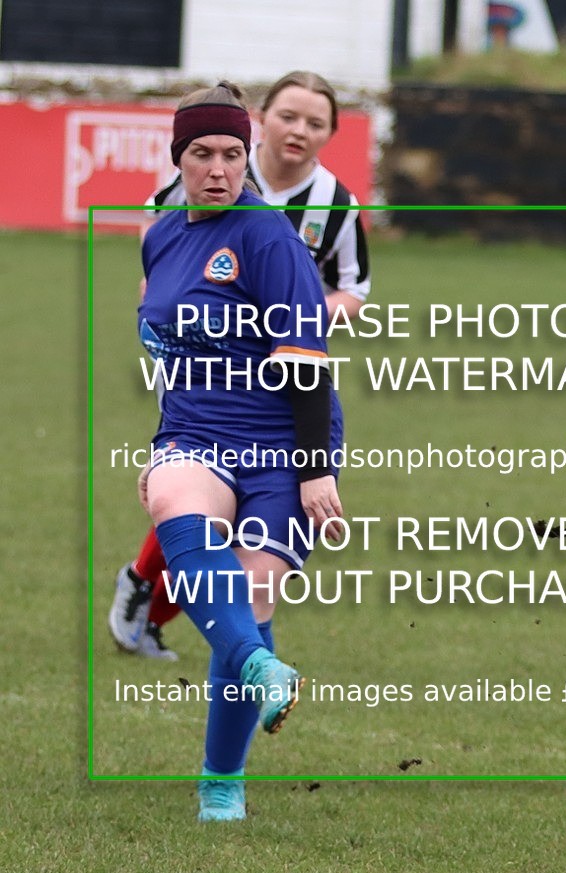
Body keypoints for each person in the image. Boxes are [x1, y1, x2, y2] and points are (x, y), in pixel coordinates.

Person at [135, 81, 344, 821]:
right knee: (172, 501)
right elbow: (167, 337)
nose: (218, 168)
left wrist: (316, 468)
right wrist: (167, 440)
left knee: (251, 596)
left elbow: (308, 358)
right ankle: (261, 670)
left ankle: (220, 780)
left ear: (244, 156)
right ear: (178, 158)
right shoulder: (160, 232)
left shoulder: (268, 237)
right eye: (202, 154)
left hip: (284, 441)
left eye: (230, 153)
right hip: (196, 431)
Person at [109, 71, 369, 660]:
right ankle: (149, 593)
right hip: (200, 393)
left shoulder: (327, 207)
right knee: (186, 511)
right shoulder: (179, 205)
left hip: (280, 397)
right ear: (265, 120)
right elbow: (160, 284)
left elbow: (353, 290)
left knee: (236, 568)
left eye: (316, 122)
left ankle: (196, 637)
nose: (299, 131)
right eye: (289, 116)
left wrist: (293, 320)